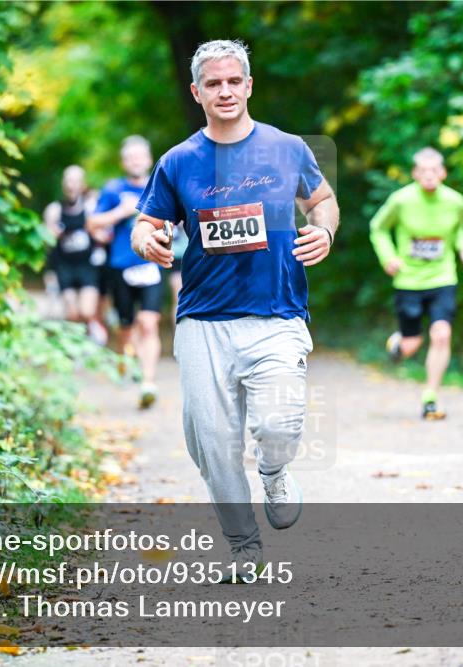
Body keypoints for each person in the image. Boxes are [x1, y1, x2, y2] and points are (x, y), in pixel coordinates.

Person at [130, 40, 339, 580]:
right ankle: (244, 547)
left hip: (277, 313)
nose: (225, 91)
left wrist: (325, 232)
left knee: (279, 424)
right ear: (197, 92)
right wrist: (147, 241)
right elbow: (145, 223)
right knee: (213, 444)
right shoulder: (178, 161)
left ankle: (273, 470)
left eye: (234, 81)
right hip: (203, 319)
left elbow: (322, 201)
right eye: (213, 84)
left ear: (248, 86)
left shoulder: (288, 147)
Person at [368, 147, 463, 421]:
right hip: (408, 280)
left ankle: (430, 397)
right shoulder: (401, 200)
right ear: (416, 174)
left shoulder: (456, 202)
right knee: (412, 344)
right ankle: (399, 344)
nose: (429, 176)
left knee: (442, 333)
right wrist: (389, 257)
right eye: (423, 171)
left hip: (443, 278)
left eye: (434, 171)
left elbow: (459, 232)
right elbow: (378, 228)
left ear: (442, 173)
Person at [89, 136, 163, 409]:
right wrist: (120, 212)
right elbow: (92, 222)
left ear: (148, 158)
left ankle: (148, 382)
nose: (135, 161)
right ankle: (125, 358)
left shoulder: (159, 187)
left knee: (149, 322)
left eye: (140, 156)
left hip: (152, 263)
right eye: (130, 157)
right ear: (124, 162)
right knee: (126, 327)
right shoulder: (113, 190)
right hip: (120, 265)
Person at [43, 166, 102, 327]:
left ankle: (93, 332)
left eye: (76, 181)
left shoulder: (91, 207)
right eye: (69, 180)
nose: (72, 185)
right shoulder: (54, 210)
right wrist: (50, 272)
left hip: (87, 265)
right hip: (64, 266)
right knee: (72, 313)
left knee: (87, 311)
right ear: (63, 184)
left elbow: (103, 233)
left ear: (83, 184)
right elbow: (47, 242)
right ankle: (78, 346)